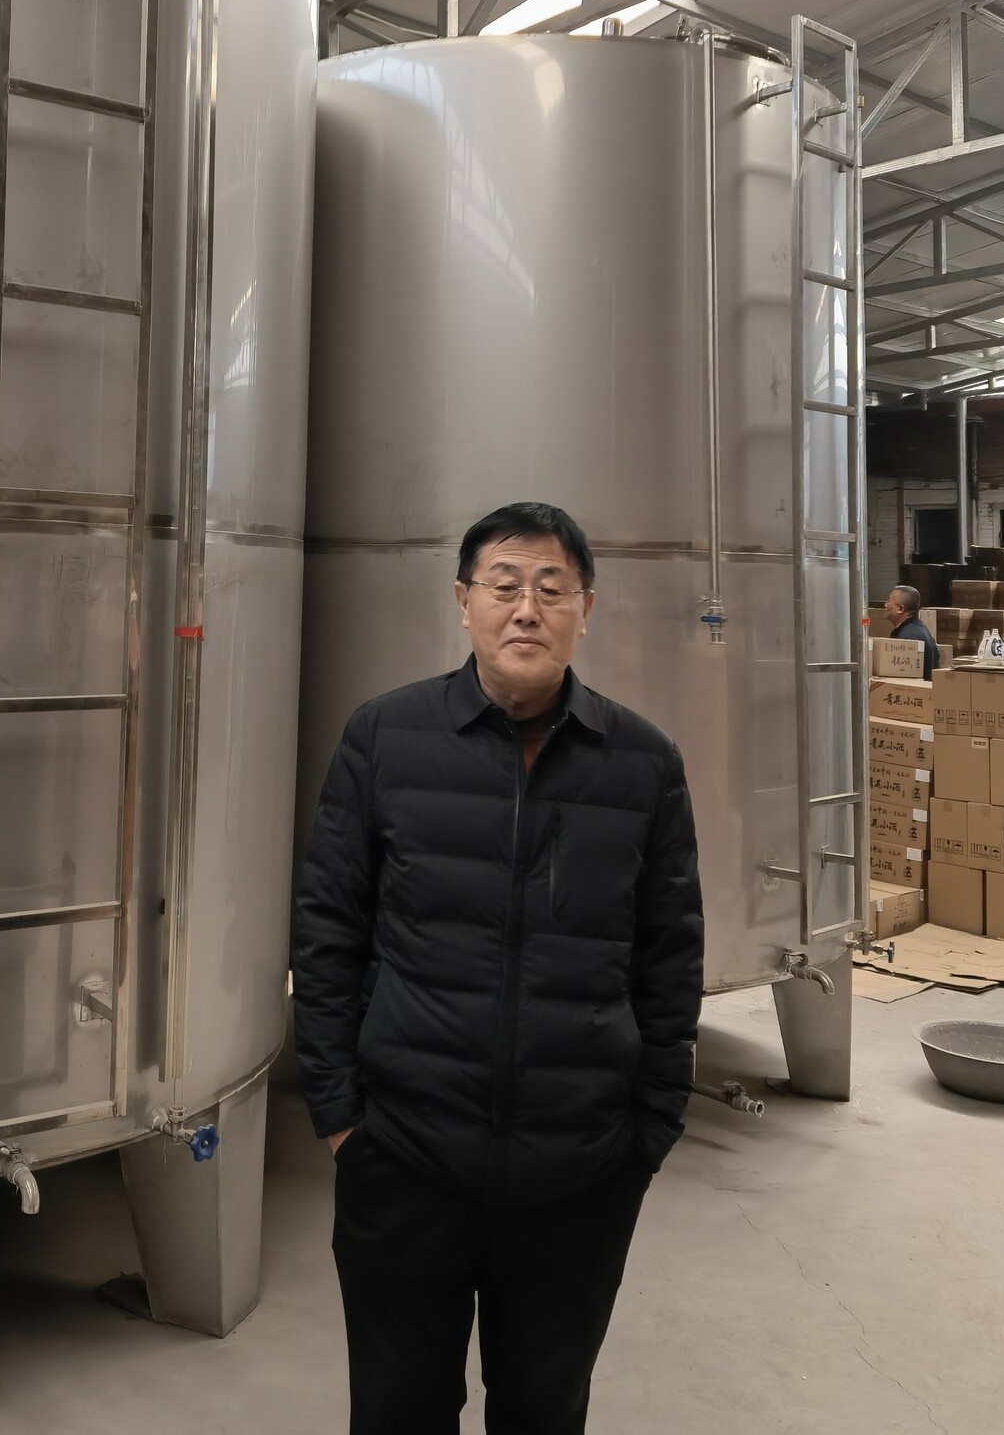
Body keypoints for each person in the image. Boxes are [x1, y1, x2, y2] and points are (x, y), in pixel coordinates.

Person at [293, 501, 704, 1435]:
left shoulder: (642, 764)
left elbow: (670, 953)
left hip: (579, 1174)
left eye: (552, 589)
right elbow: (326, 931)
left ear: (585, 610)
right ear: (463, 601)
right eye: (505, 585)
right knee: (398, 1412)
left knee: (543, 1412)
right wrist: (341, 1116)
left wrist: (648, 1132)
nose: (527, 609)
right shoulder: (385, 738)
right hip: (404, 1160)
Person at [883, 584, 940, 675]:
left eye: (889, 601)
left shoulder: (907, 638)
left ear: (900, 609)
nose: (885, 605)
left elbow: (900, 674)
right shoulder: (920, 629)